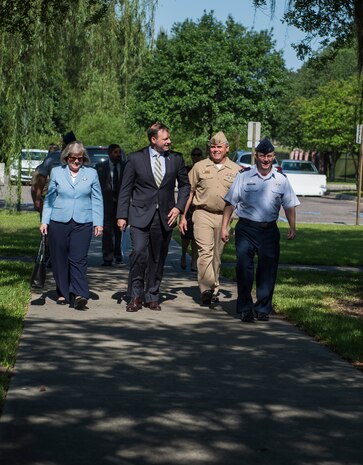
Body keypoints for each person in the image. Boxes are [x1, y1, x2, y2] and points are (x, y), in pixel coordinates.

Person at [221, 138, 300, 322]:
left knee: (268, 270)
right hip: (246, 228)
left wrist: (292, 226)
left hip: (269, 231)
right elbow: (230, 202)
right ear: (256, 156)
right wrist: (225, 226)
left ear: (274, 157)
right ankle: (246, 308)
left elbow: (289, 205)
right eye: (263, 155)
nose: (266, 159)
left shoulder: (281, 179)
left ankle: (263, 308)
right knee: (243, 268)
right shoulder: (244, 176)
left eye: (270, 156)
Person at [117, 122, 190, 312]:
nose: (169, 141)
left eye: (169, 138)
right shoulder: (135, 159)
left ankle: (152, 295)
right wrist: (122, 215)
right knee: (139, 253)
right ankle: (135, 295)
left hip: (165, 216)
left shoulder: (176, 159)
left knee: (157, 258)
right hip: (140, 214)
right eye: (165, 139)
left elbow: (185, 186)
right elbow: (125, 189)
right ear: (153, 139)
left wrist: (178, 207)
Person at [40, 141, 103, 309]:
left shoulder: (91, 174)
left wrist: (98, 222)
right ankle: (62, 291)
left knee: (78, 258)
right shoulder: (56, 172)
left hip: (83, 221)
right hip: (58, 220)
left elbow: (97, 199)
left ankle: (80, 293)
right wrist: (44, 221)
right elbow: (50, 199)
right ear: (66, 158)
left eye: (80, 159)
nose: (76, 162)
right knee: (59, 258)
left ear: (84, 159)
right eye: (73, 158)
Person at [179, 131, 240, 307]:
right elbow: (189, 193)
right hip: (202, 213)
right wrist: (183, 216)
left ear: (226, 149)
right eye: (213, 147)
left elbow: (240, 198)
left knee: (217, 256)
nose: (215, 150)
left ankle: (214, 289)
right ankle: (206, 288)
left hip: (224, 217)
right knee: (204, 252)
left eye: (219, 147)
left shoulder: (236, 170)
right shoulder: (199, 167)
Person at [96, 144, 126, 266]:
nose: (118, 155)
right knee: (107, 232)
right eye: (115, 152)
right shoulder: (100, 167)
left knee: (119, 231)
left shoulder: (125, 167)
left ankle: (118, 255)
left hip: (121, 205)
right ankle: (107, 258)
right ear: (109, 153)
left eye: (119, 152)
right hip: (106, 204)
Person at [32, 132, 76, 212]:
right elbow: (41, 178)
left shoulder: (77, 160)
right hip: (52, 198)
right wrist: (38, 198)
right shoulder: (52, 158)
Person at [180, 147, 203, 271]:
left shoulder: (205, 169)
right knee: (185, 235)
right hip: (187, 206)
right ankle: (183, 255)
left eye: (198, 154)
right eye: (194, 154)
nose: (196, 156)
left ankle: (194, 261)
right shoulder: (187, 169)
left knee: (195, 236)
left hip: (198, 206)